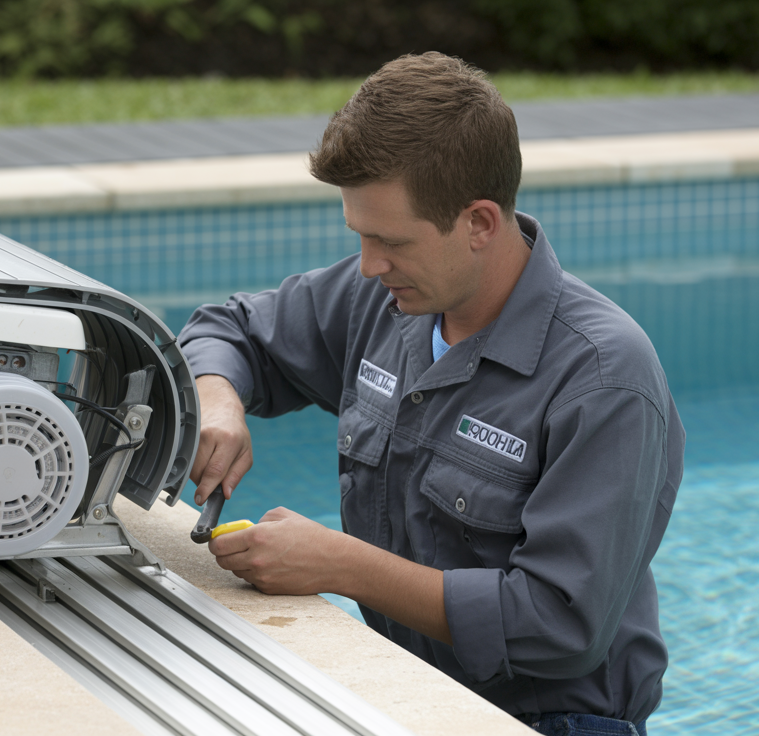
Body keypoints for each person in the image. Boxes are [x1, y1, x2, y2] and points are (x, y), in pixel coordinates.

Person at [177, 52, 684, 736]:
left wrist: (342, 565)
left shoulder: (603, 379)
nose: (367, 265)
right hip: (405, 693)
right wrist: (218, 401)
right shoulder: (385, 299)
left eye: (390, 242)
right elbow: (230, 329)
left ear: (478, 223)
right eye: (359, 237)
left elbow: (559, 627)